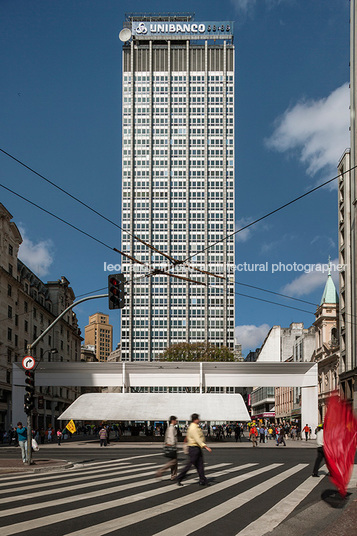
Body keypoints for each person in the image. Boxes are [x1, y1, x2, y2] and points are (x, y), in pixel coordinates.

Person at [176, 413, 212, 486]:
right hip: (194, 448)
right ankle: (179, 477)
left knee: (200, 464)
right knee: (190, 464)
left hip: (196, 448)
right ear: (195, 419)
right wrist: (205, 446)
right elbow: (197, 438)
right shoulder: (193, 428)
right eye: (198, 419)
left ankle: (202, 480)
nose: (199, 420)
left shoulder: (194, 426)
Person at [156, 416, 178, 480]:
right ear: (173, 421)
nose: (176, 421)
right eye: (176, 420)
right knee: (173, 462)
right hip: (172, 446)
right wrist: (173, 445)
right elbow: (171, 437)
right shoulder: (171, 428)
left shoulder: (170, 428)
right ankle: (161, 471)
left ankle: (173, 475)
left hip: (170, 445)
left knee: (174, 462)